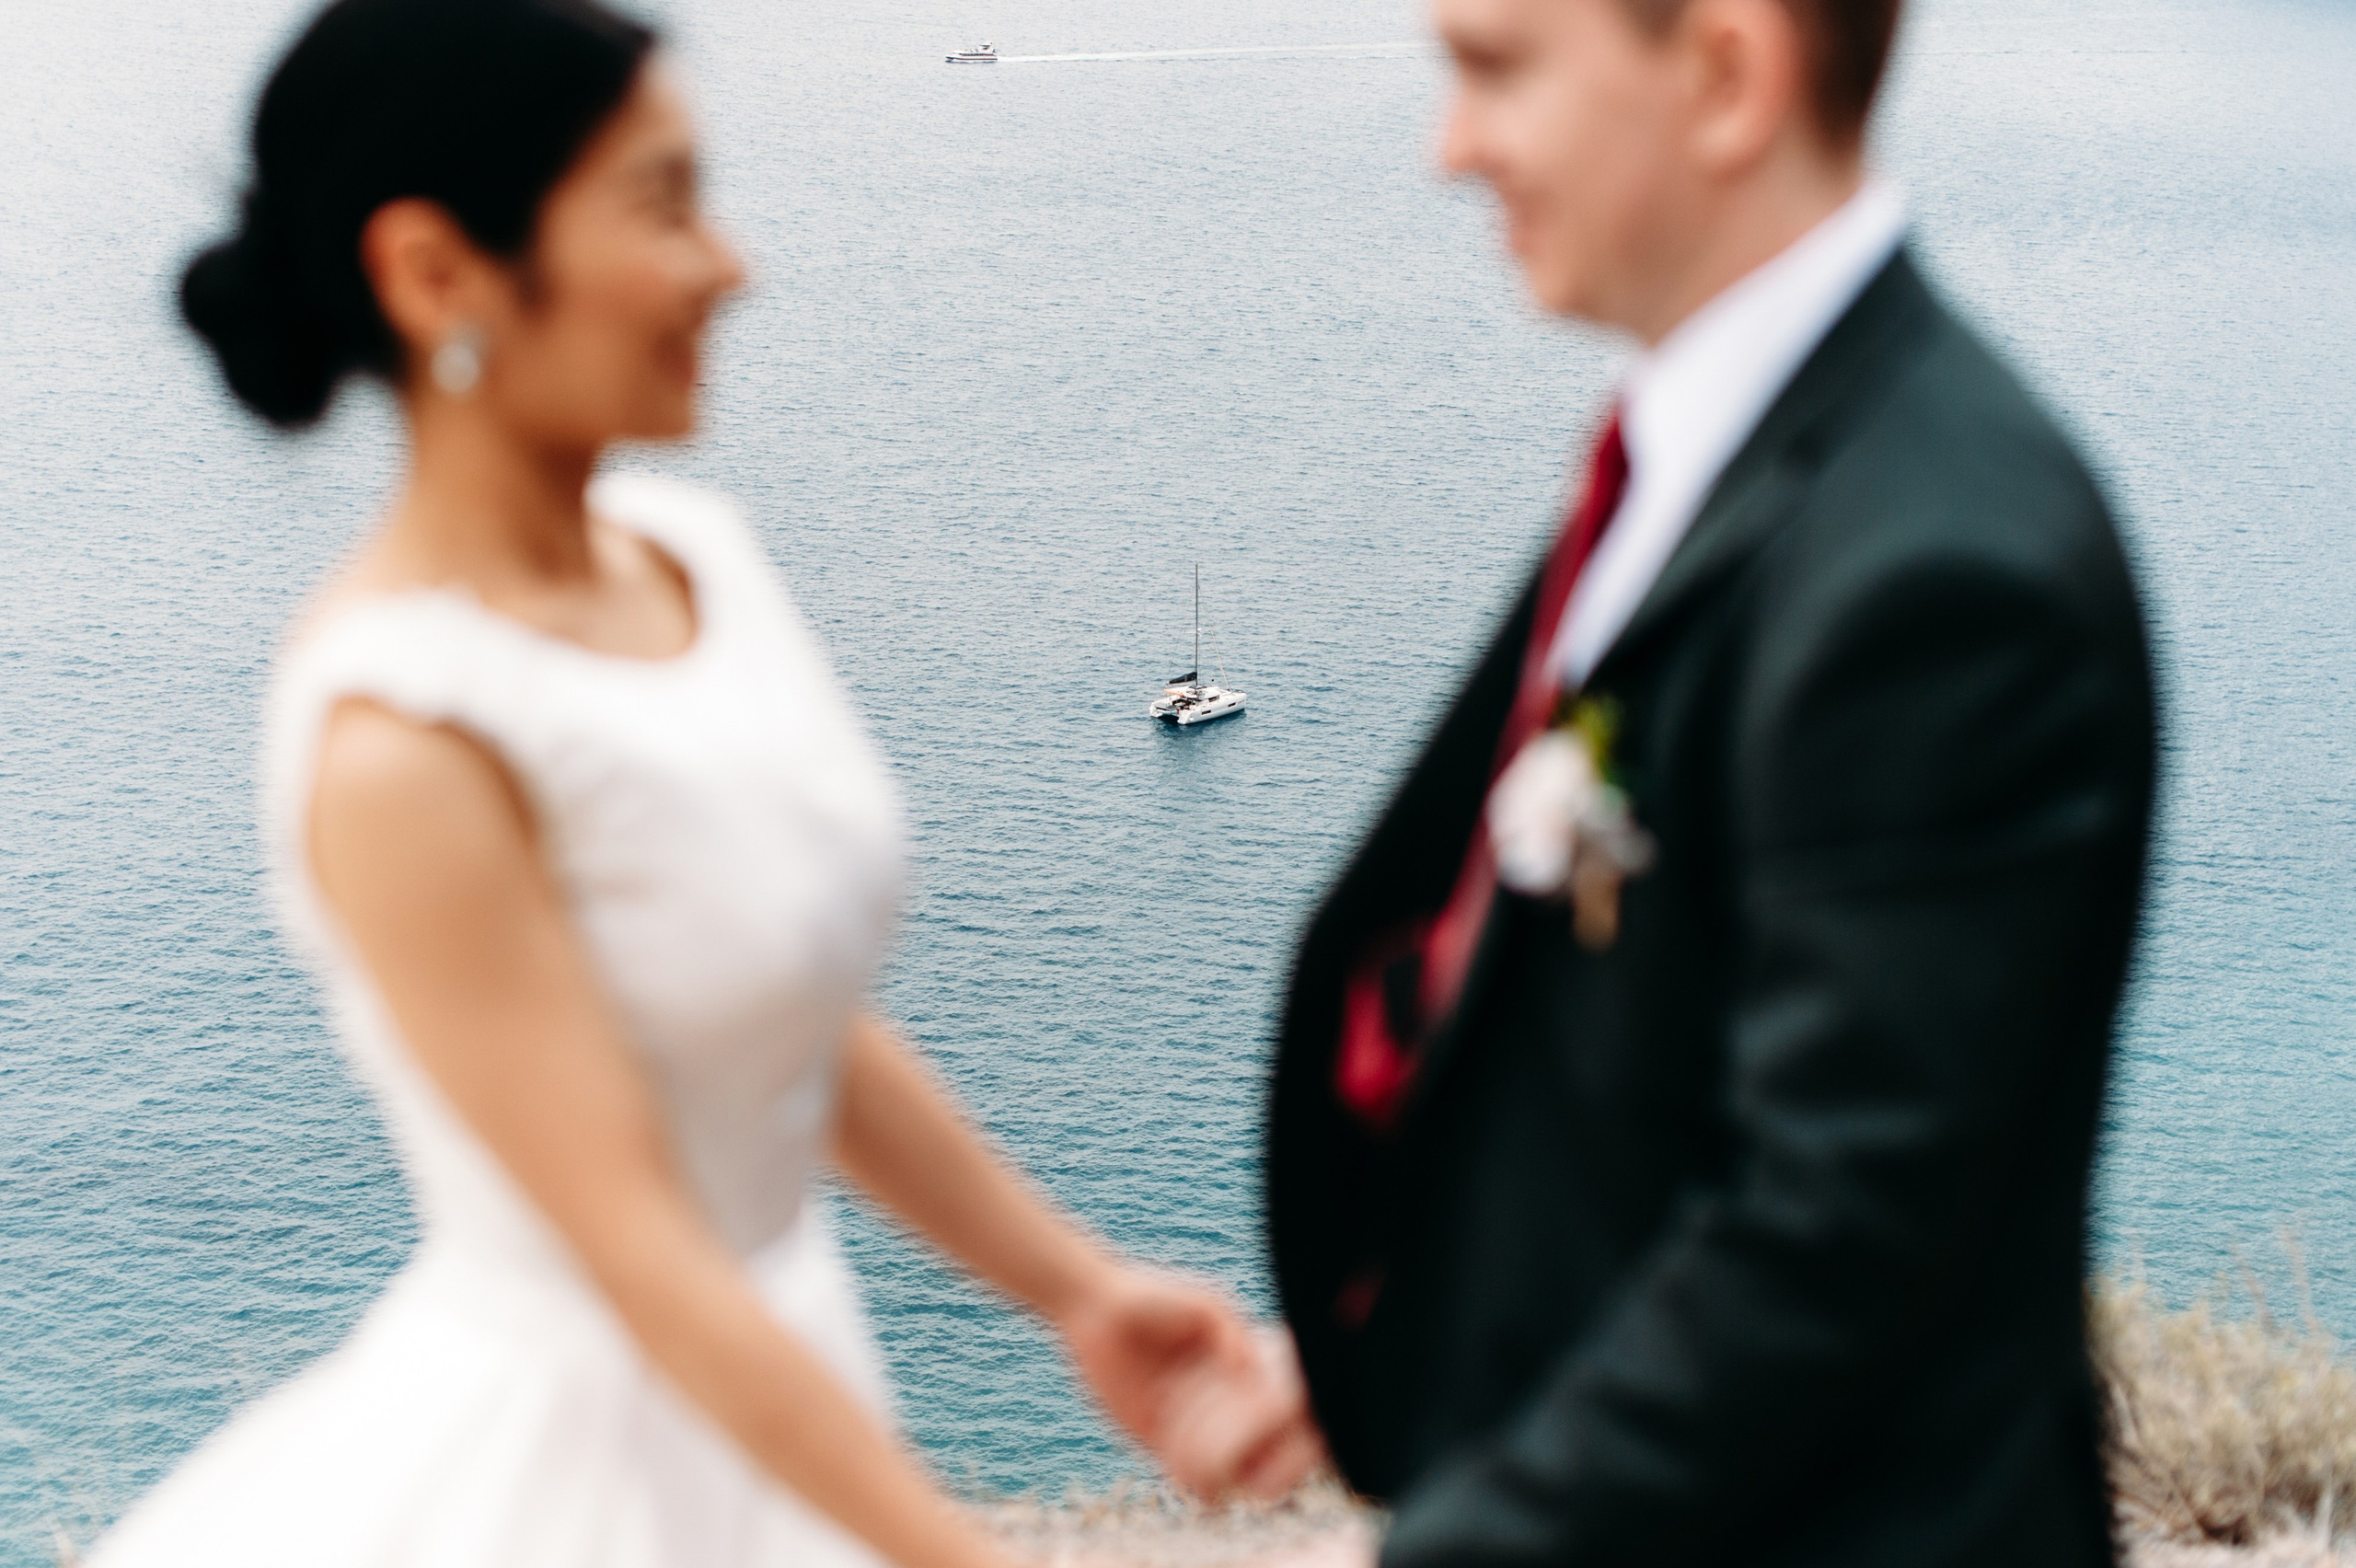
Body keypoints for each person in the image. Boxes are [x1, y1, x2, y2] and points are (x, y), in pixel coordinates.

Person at [92, 2, 1319, 1563]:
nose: (727, 262)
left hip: (779, 1379)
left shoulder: (694, 556)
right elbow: (642, 1266)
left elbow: (779, 1005)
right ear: (435, 274)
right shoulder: (402, 741)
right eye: (663, 205)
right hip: (582, 1477)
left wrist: (1075, 1288)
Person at [1262, 0, 2156, 1562]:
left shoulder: (1943, 574)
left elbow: (1835, 1239)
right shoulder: (1734, 468)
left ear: (1730, 73)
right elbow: (1623, 1074)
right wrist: (1404, 1352)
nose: (1448, 147)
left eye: (1495, 68)